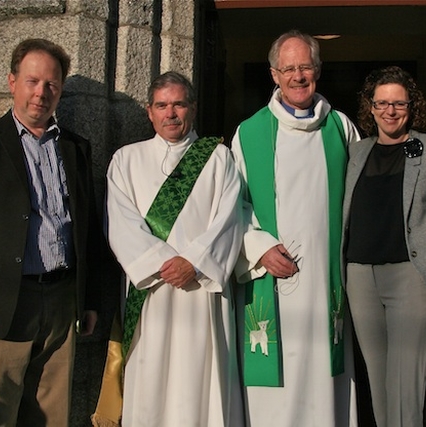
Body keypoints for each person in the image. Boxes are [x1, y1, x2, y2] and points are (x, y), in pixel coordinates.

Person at [0, 38, 101, 426]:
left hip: (62, 303)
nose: (41, 93)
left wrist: (87, 298)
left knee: (51, 416)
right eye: (32, 81)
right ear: (12, 81)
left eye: (52, 85)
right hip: (3, 304)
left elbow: (87, 231)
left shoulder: (76, 148)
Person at [230, 30, 359, 427]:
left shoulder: (340, 128)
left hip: (327, 279)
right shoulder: (249, 133)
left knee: (324, 370)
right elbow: (232, 205)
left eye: (306, 67)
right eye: (289, 68)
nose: (298, 76)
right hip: (273, 278)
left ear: (318, 71)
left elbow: (361, 199)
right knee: (278, 382)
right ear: (274, 74)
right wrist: (260, 248)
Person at [105, 71, 244, 427]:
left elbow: (229, 222)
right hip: (151, 290)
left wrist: (194, 263)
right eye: (162, 105)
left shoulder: (218, 159)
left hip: (201, 291)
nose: (171, 113)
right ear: (149, 112)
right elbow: (121, 225)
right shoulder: (125, 160)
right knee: (150, 379)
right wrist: (164, 263)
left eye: (179, 104)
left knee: (199, 380)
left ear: (192, 109)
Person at [342, 65, 426, 427]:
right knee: (377, 381)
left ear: (412, 107)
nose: (390, 111)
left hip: (413, 277)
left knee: (407, 383)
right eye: (382, 103)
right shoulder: (356, 153)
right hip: (360, 277)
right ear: (371, 107)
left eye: (399, 104)